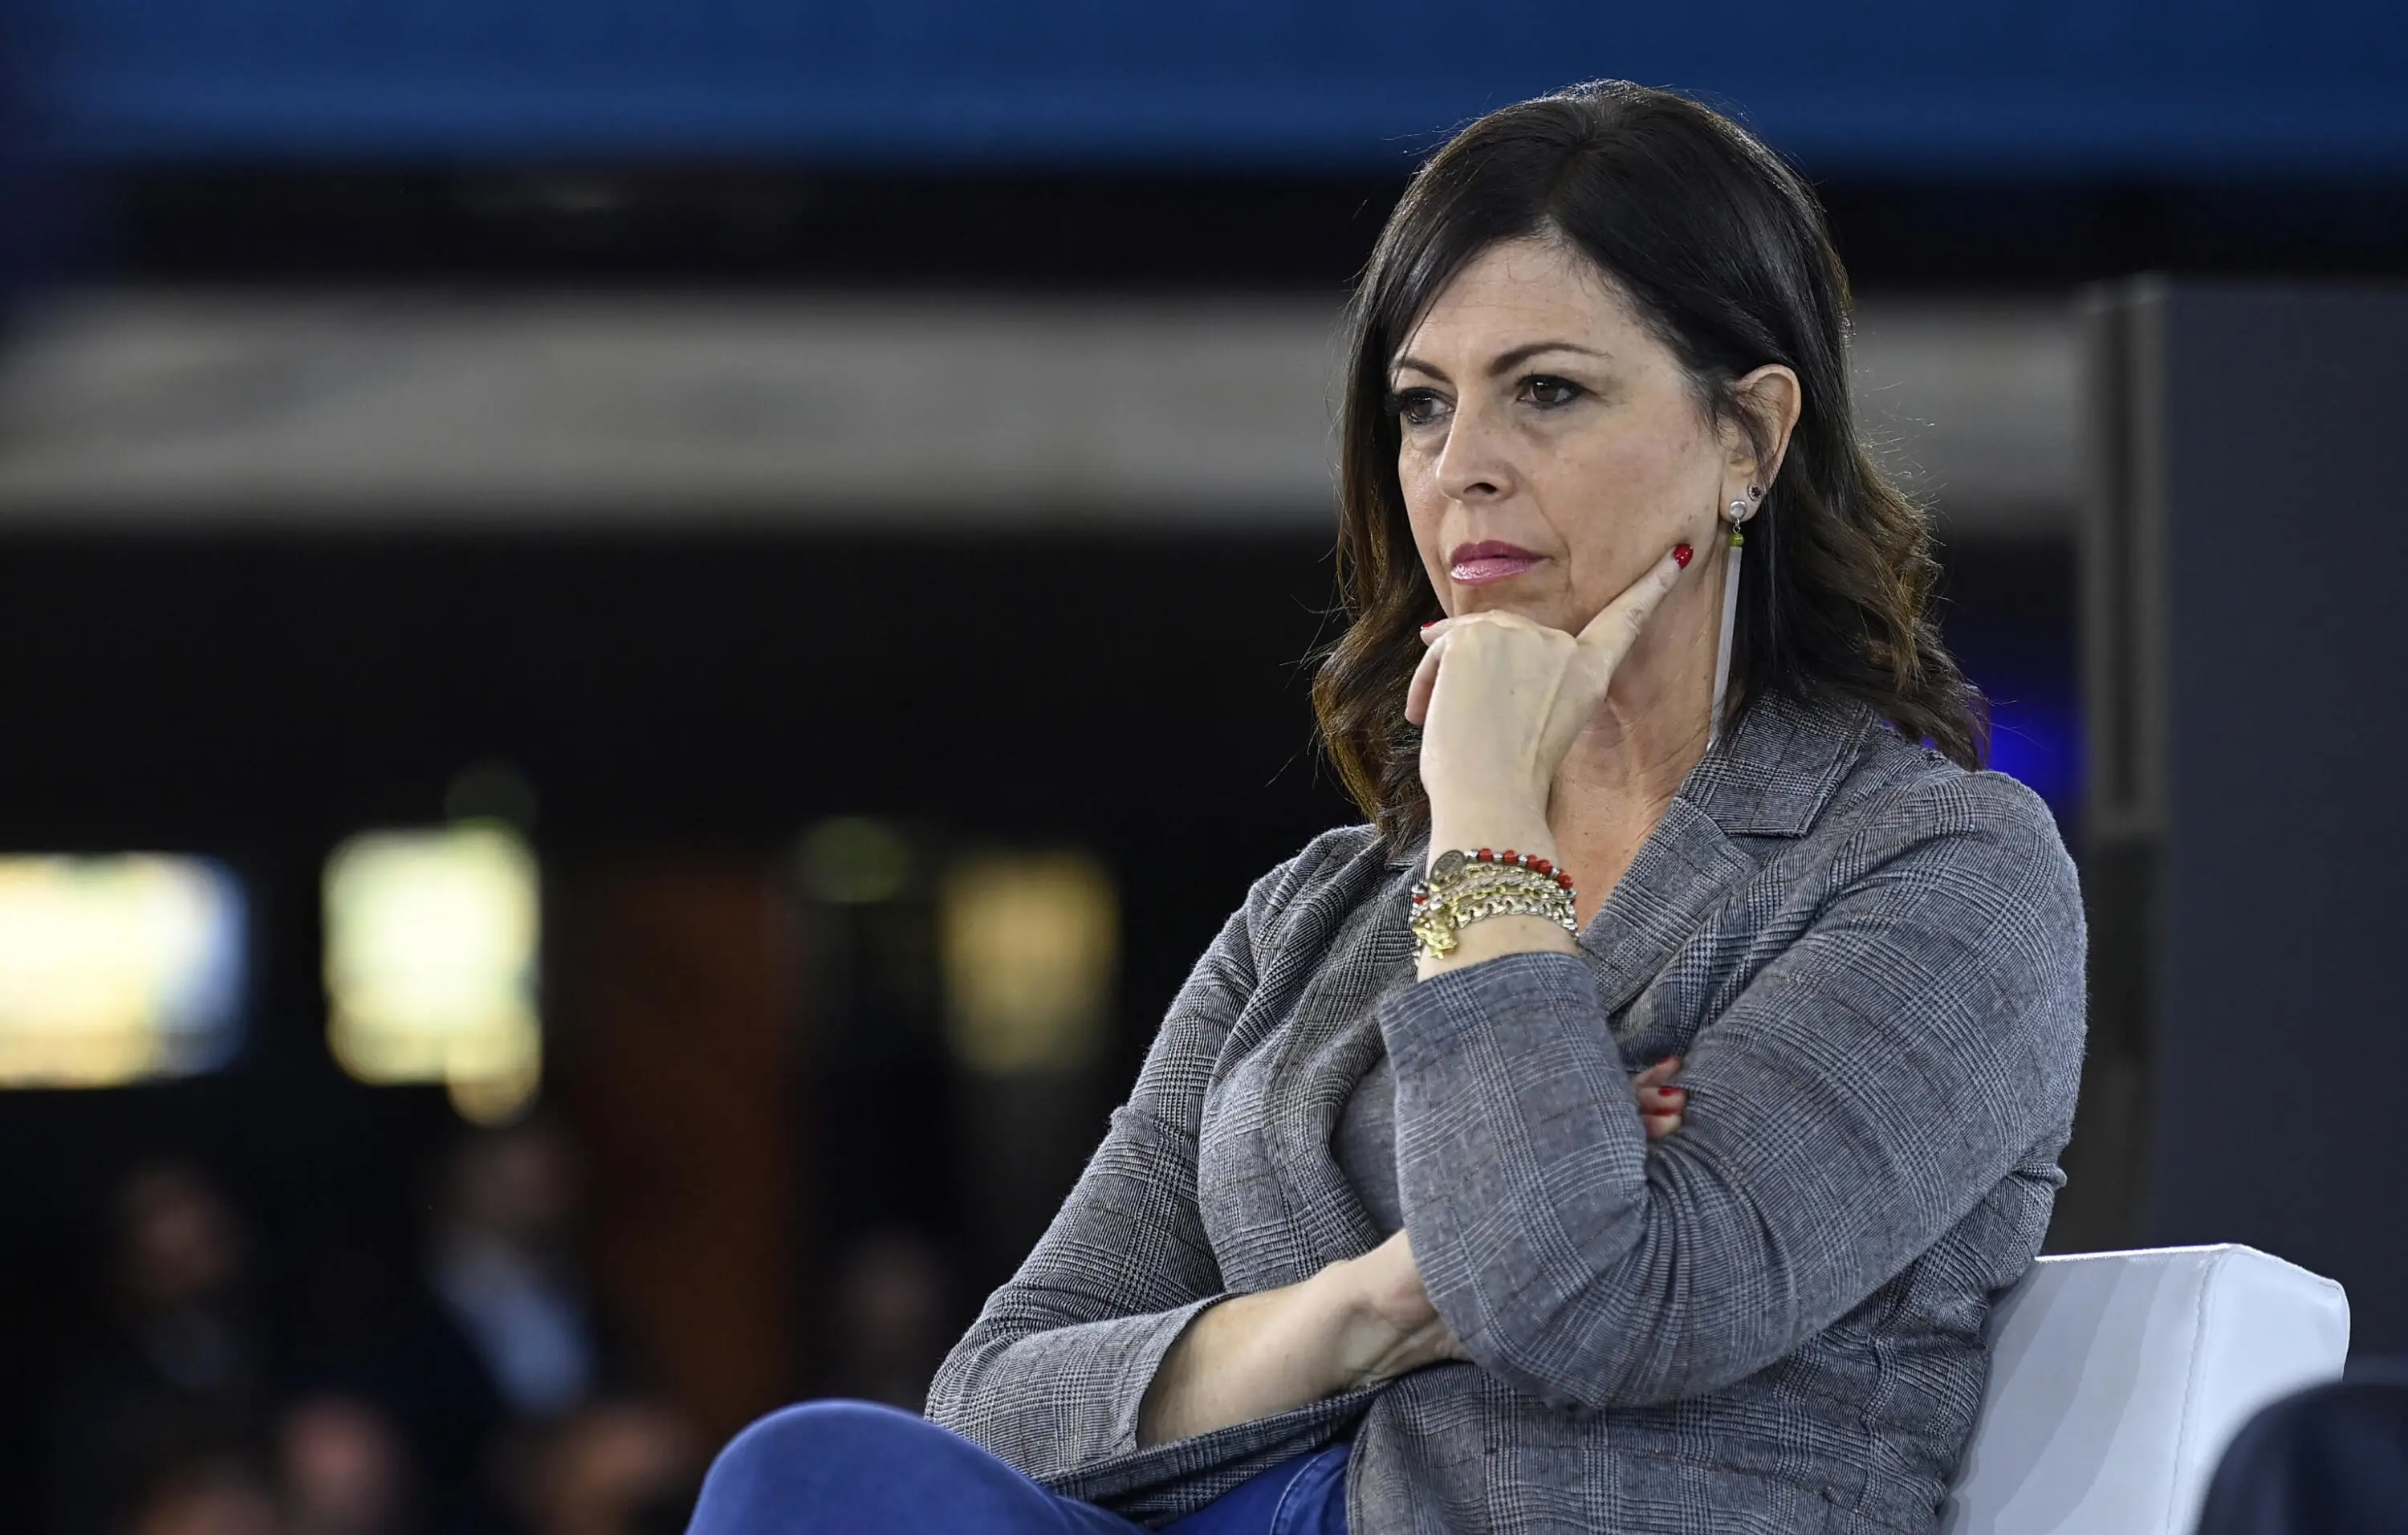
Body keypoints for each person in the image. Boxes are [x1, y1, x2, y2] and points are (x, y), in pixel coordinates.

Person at [689, 79, 2085, 1534]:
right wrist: (1372, 1304)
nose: (1461, 466)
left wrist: (1486, 815)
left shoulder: (1938, 869)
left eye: (1548, 392)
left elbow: (1590, 1309)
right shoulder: (1317, 913)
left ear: (1748, 437)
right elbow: (994, 1403)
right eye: (1424, 405)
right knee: (811, 1480)